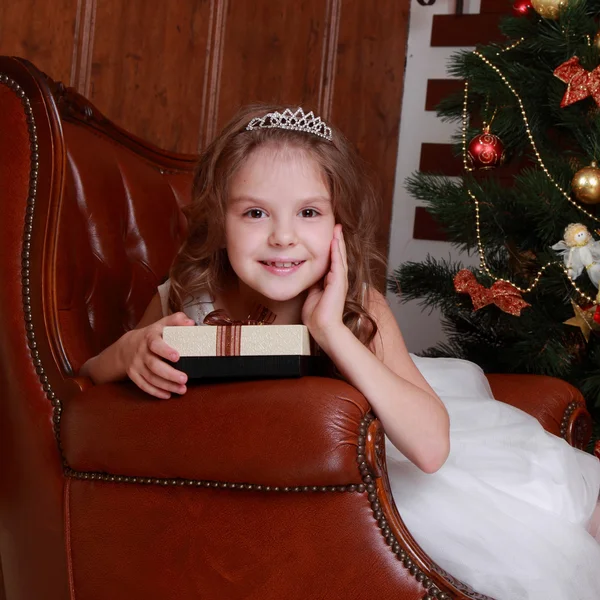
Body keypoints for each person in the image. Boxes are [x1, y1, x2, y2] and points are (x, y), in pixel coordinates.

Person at [80, 105, 600, 599]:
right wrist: (128, 352)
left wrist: (330, 331)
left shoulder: (358, 307)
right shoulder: (188, 294)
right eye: (255, 212)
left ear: (339, 226)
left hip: (393, 449)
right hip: (272, 484)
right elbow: (89, 373)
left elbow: (431, 450)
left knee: (547, 512)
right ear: (220, 221)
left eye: (308, 212)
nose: (283, 237)